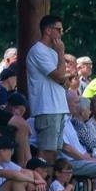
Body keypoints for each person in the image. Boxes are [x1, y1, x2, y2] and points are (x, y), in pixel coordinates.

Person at [26, 14, 74, 160]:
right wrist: (61, 53)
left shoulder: (52, 52)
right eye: (59, 29)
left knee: (54, 153)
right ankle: (41, 182)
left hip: (58, 107)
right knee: (46, 151)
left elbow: (64, 82)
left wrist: (63, 76)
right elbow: (60, 76)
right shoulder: (38, 51)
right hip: (47, 107)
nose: (61, 33)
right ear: (48, 30)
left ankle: (49, 183)